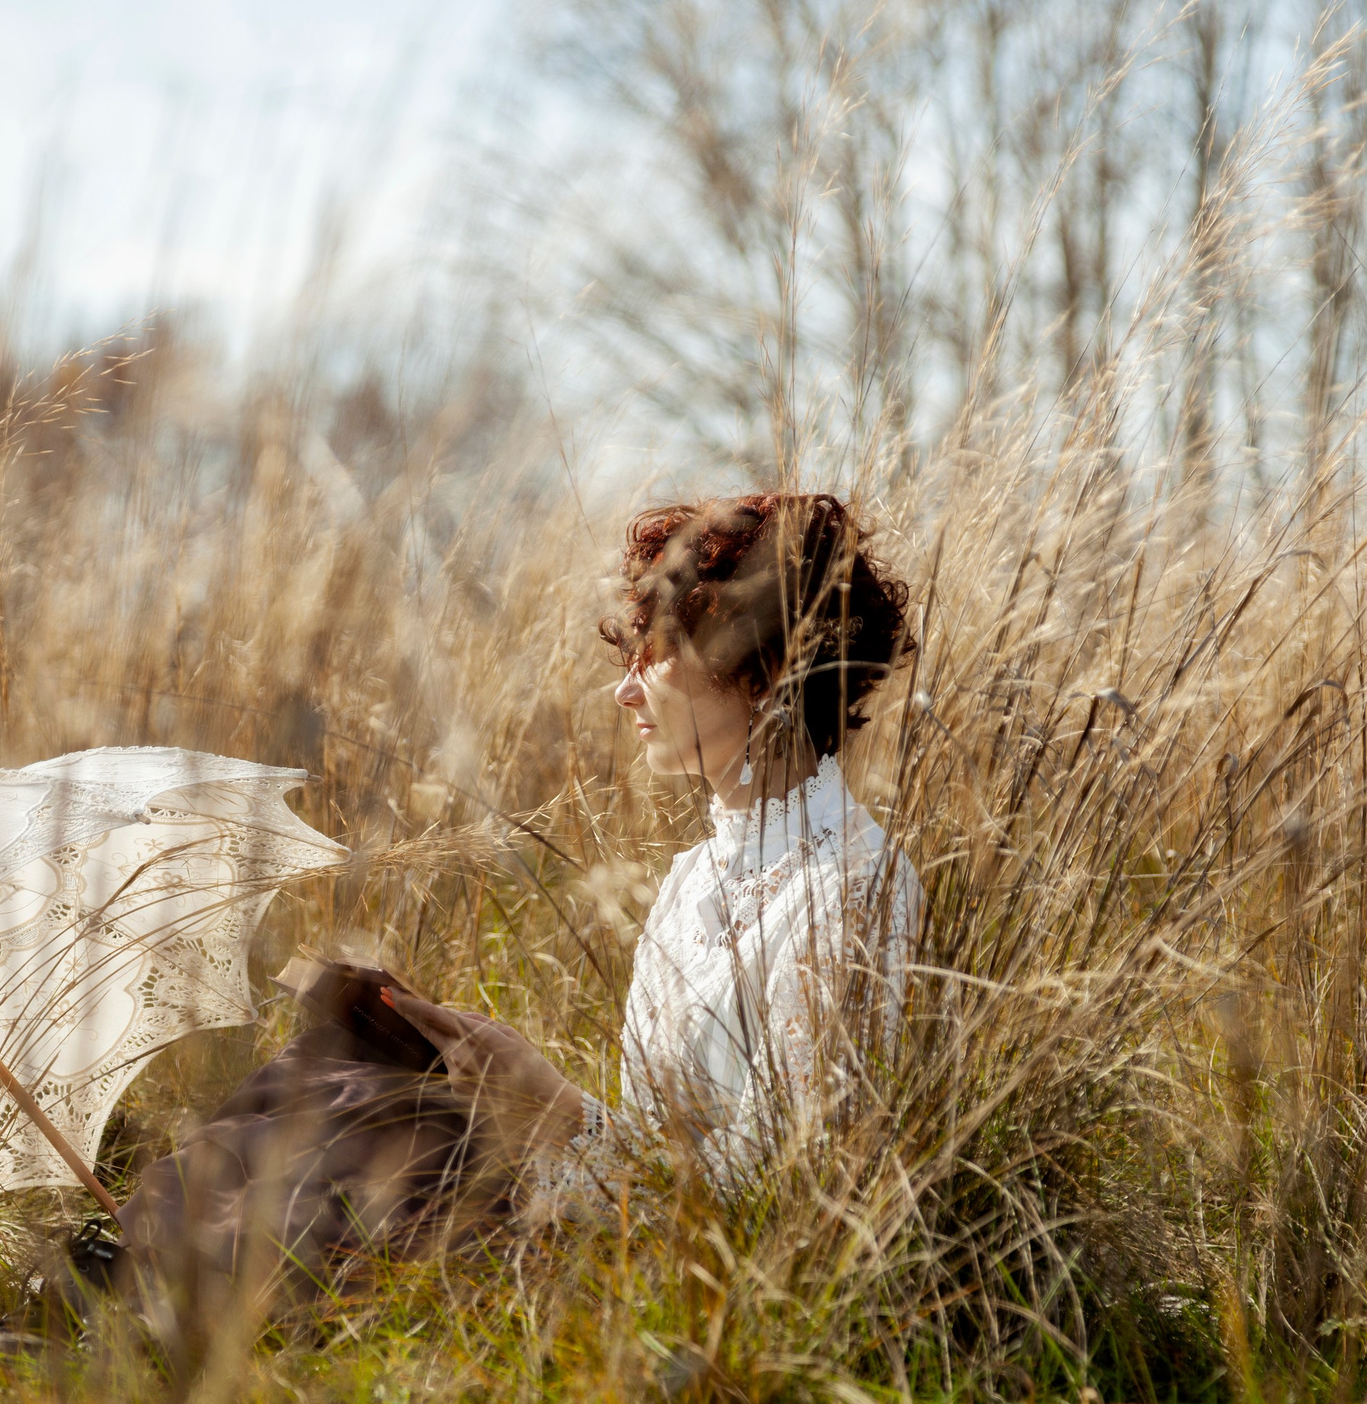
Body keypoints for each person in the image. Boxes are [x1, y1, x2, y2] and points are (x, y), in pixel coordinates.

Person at [111, 491, 919, 1315]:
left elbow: (786, 1199)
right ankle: (143, 1270)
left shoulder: (854, 887)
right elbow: (647, 1151)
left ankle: (163, 1291)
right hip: (618, 1220)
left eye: (655, 655)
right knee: (346, 1068)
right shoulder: (695, 879)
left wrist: (555, 1108)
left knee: (389, 1141)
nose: (625, 691)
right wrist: (515, 1088)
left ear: (762, 667)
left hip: (705, 1296)